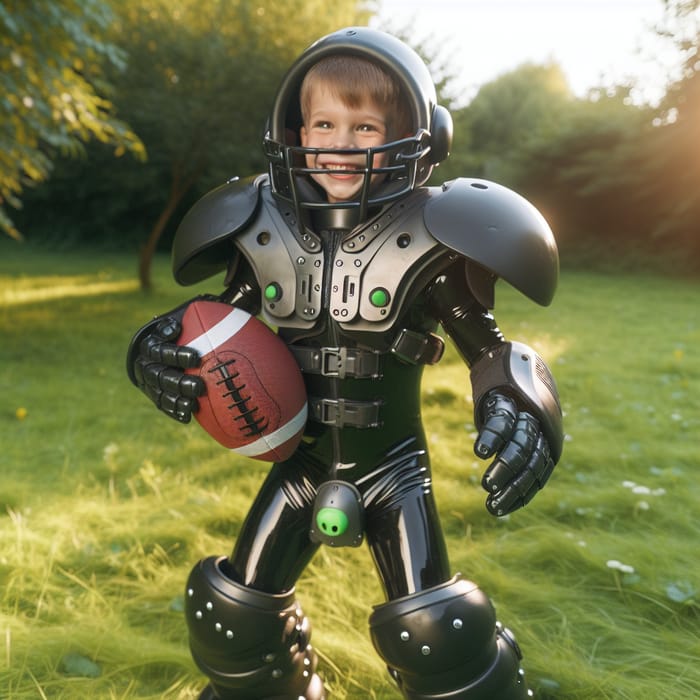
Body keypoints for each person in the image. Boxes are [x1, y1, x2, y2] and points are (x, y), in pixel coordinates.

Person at [127, 27, 563, 700]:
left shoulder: (437, 232)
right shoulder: (260, 223)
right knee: (231, 614)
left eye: (365, 126)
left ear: (418, 135)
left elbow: (491, 347)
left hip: (394, 470)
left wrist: (521, 400)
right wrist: (154, 351)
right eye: (323, 122)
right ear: (293, 132)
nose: (338, 142)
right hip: (296, 464)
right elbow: (214, 323)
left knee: (438, 633)